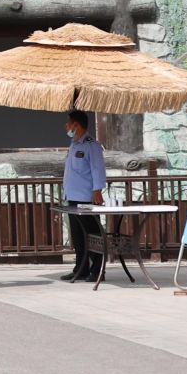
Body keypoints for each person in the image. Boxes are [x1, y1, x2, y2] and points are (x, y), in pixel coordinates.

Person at [62, 108, 108, 283]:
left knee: (92, 235)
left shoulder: (91, 145)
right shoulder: (74, 144)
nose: (66, 127)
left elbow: (98, 168)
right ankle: (80, 268)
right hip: (72, 196)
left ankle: (97, 270)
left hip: (86, 198)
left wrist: (97, 190)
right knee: (78, 236)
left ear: (76, 125)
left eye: (68, 123)